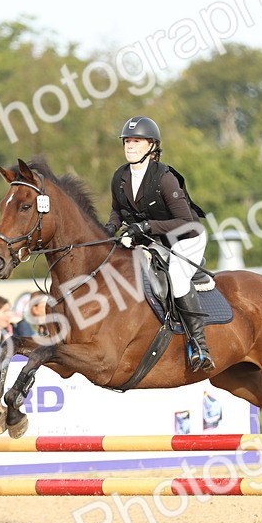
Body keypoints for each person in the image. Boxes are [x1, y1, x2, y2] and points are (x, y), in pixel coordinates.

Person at [103, 116, 213, 372]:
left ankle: (199, 346)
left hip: (186, 238)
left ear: (152, 145)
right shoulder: (120, 176)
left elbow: (185, 221)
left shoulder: (164, 178)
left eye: (137, 141)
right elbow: (117, 210)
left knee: (177, 279)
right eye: (127, 141)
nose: (130, 146)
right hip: (155, 240)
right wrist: (109, 227)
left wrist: (145, 227)